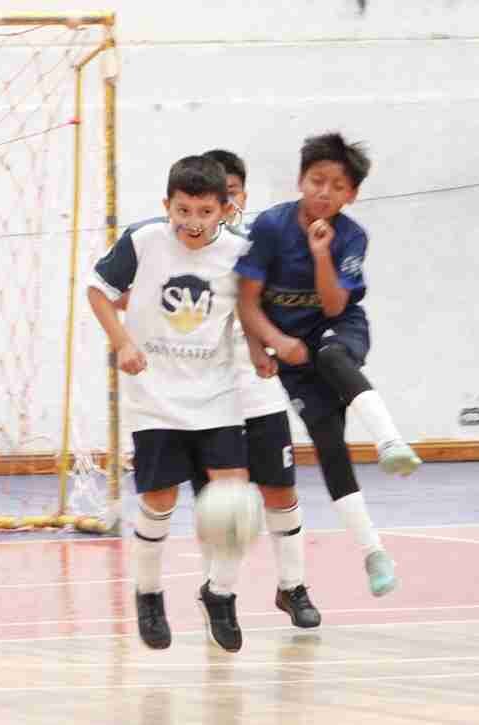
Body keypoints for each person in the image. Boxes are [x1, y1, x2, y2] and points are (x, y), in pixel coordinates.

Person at [236, 132, 421, 597]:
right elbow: (247, 301)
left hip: (339, 330)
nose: (325, 192)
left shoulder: (352, 236)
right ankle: (374, 552)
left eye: (337, 186)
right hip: (290, 347)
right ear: (301, 180)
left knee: (332, 351)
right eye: (317, 180)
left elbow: (336, 307)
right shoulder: (271, 228)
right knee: (328, 444)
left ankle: (390, 441)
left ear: (351, 194)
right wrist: (271, 344)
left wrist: (321, 253)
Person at [87, 155, 252, 653]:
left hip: (218, 394)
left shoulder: (241, 253)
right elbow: (98, 290)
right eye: (183, 210)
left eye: (204, 211)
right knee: (159, 501)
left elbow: (252, 309)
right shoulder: (143, 241)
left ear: (224, 210)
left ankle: (220, 593)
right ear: (167, 206)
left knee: (229, 501)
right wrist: (123, 342)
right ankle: (149, 593)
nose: (193, 222)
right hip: (156, 395)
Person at [195, 149, 321, 628]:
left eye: (231, 194)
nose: (225, 204)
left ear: (241, 196)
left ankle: (292, 587)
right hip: (209, 398)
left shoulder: (262, 246)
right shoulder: (184, 252)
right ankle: (219, 591)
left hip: (261, 388)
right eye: (215, 197)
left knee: (280, 491)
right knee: (228, 503)